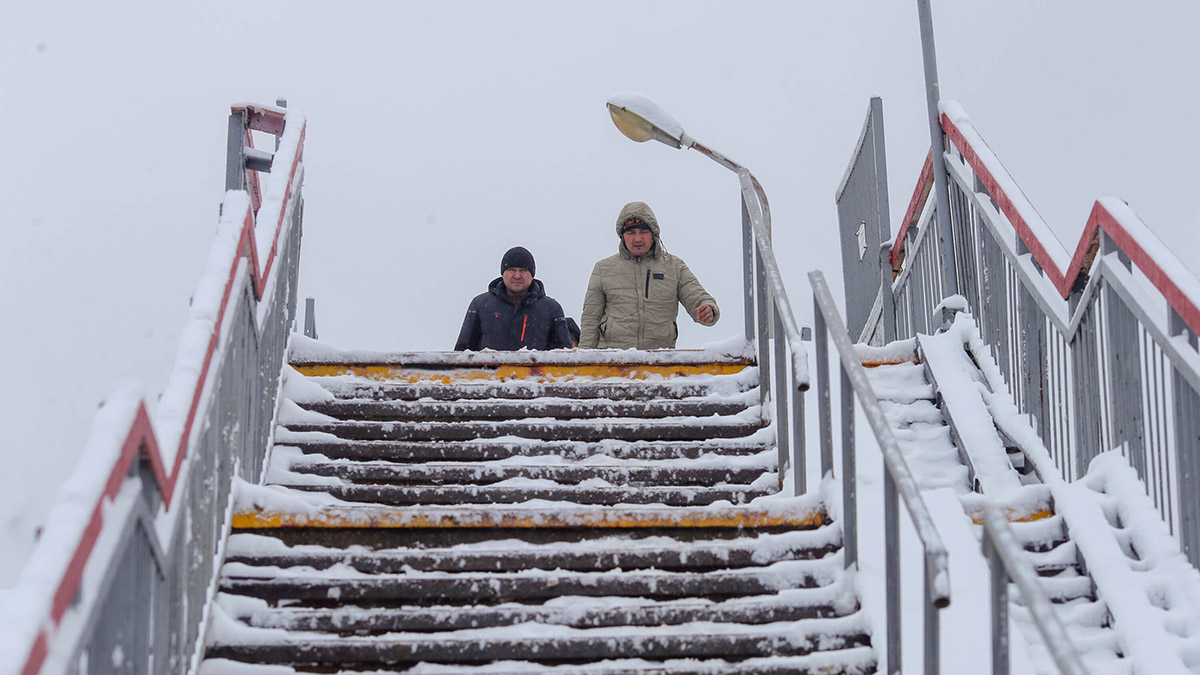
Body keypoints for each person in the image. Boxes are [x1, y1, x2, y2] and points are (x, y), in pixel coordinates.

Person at [580, 201, 719, 349]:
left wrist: (708, 309)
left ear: (654, 234)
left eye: (643, 232)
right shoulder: (603, 269)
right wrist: (583, 361)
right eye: (631, 233)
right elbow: (590, 319)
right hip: (614, 361)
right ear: (622, 236)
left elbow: (698, 298)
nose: (637, 239)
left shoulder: (674, 266)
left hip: (659, 362)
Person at [455, 246, 574, 351]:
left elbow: (563, 357)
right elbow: (462, 353)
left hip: (535, 376)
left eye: (523, 271)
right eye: (512, 270)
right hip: (489, 375)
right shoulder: (480, 305)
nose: (517, 276)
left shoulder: (551, 309)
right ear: (503, 273)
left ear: (532, 274)